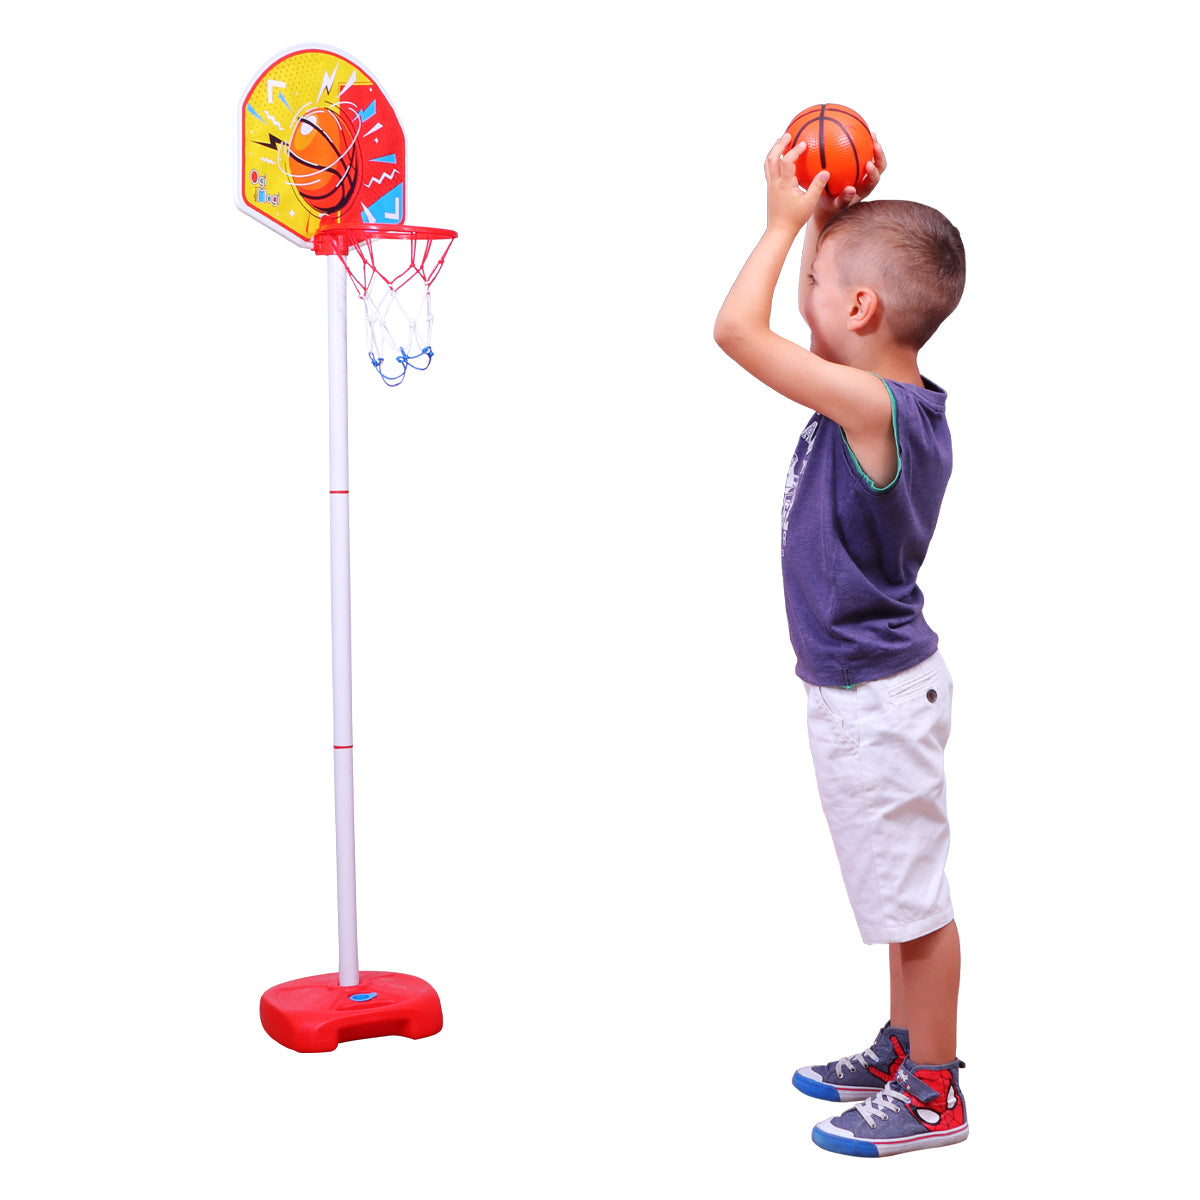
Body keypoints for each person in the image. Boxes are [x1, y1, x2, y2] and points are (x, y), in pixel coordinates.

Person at [713, 132, 968, 1157]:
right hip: (869, 692)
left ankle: (937, 1091)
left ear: (859, 311)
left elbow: (736, 330)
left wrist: (778, 226)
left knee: (916, 905)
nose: (801, 285)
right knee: (895, 892)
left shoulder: (870, 405)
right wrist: (829, 221)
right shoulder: (879, 391)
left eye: (815, 279)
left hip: (875, 701)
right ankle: (909, 1044)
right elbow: (829, 315)